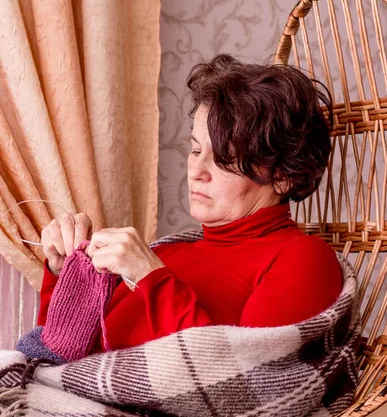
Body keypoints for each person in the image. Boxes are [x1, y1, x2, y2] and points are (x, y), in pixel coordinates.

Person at [38, 54, 342, 351]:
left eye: (224, 160)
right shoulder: (168, 253)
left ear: (283, 176)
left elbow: (246, 383)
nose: (196, 172)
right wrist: (60, 272)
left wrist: (151, 278)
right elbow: (55, 354)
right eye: (196, 150)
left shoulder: (305, 259)